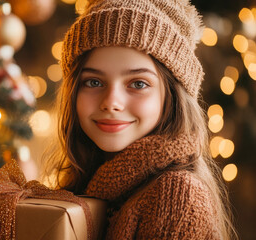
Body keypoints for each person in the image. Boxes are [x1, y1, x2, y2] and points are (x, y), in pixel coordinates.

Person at [43, 0, 237, 239]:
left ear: (172, 98)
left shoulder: (176, 196)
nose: (111, 102)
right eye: (93, 82)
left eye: (138, 84)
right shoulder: (88, 184)